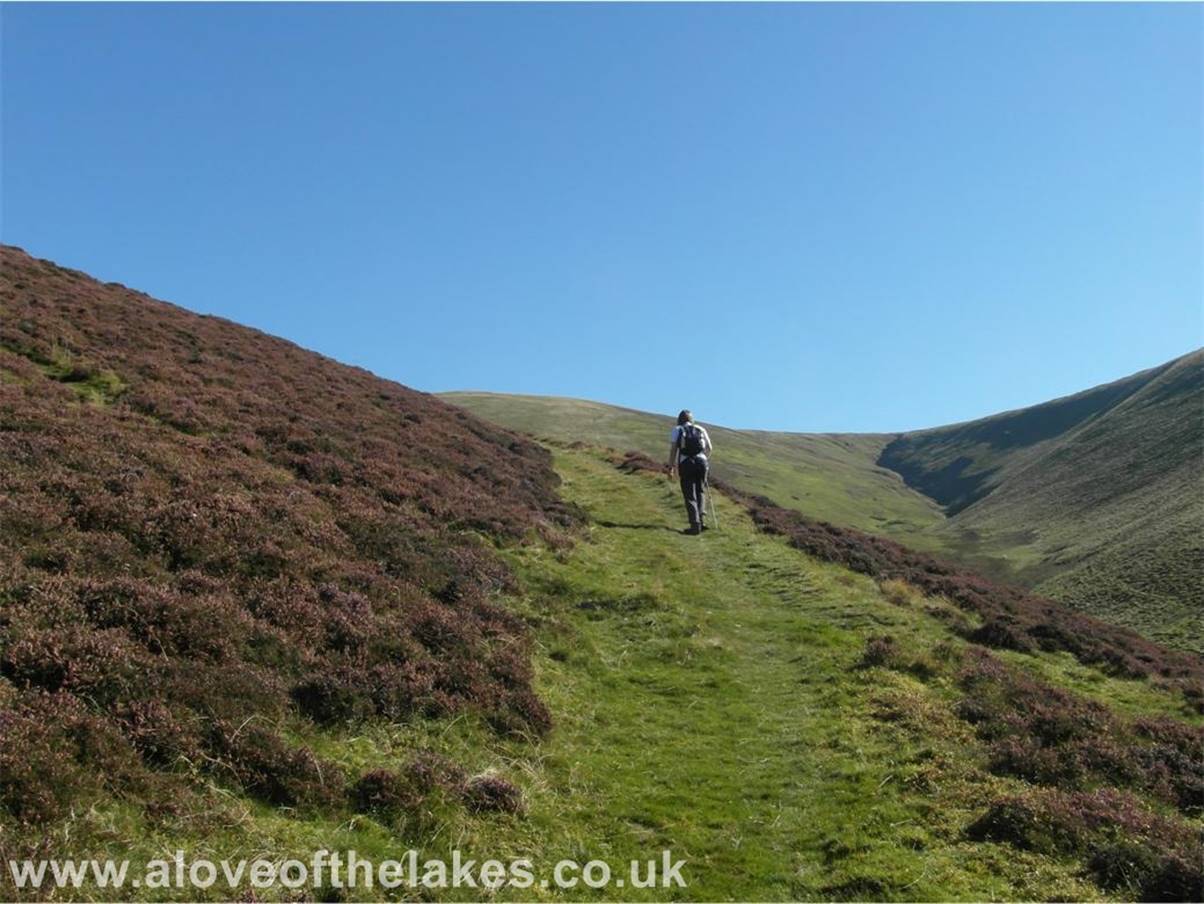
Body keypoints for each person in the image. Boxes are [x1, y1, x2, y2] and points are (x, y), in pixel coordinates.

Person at [665, 409, 713, 534]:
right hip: (701, 462)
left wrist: (671, 467)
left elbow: (674, 450)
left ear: (680, 419)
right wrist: (704, 459)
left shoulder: (678, 430)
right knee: (700, 491)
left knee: (689, 494)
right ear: (691, 419)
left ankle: (694, 525)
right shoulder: (701, 429)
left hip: (686, 463)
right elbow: (709, 448)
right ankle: (701, 521)